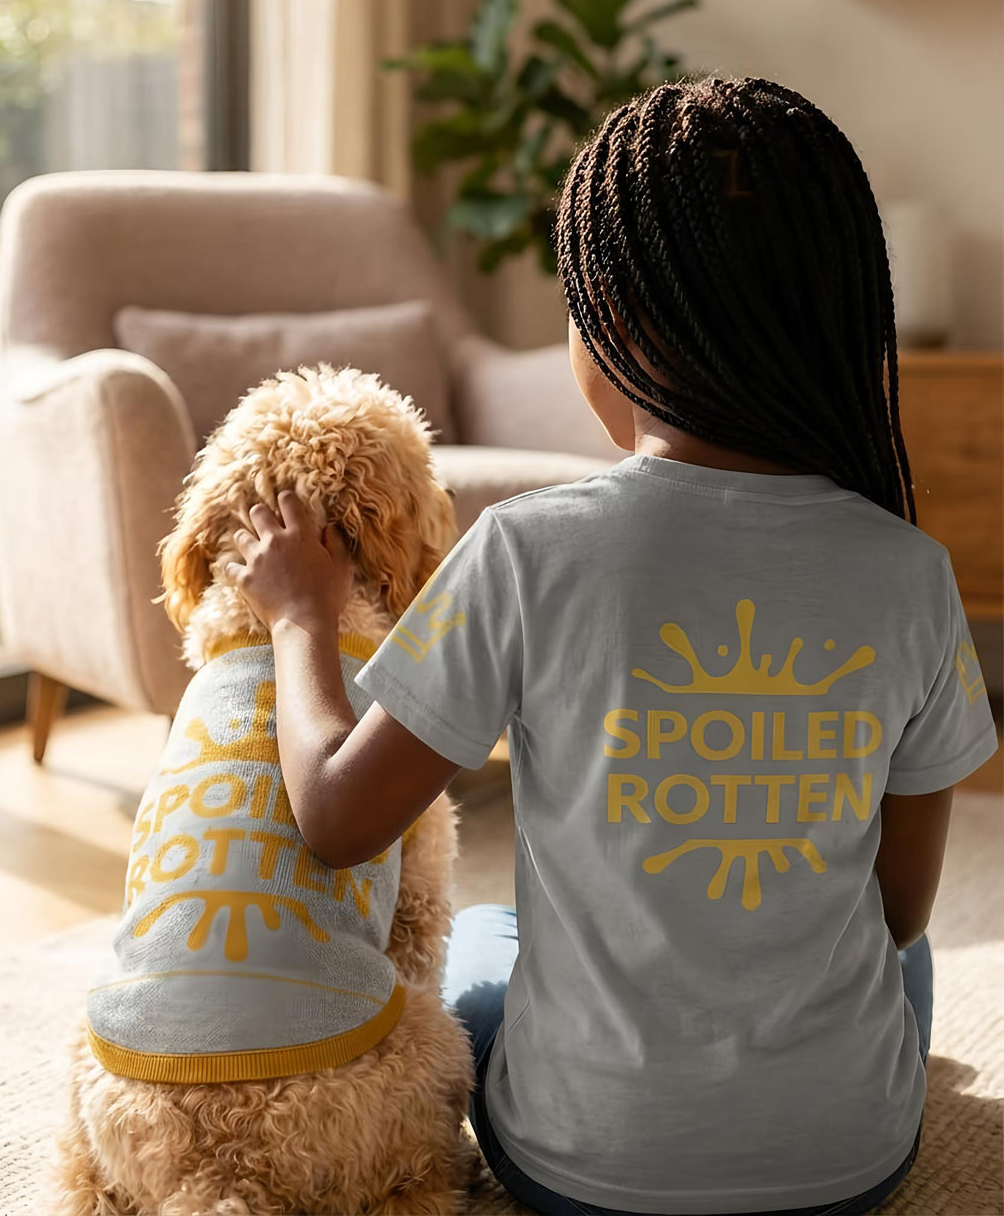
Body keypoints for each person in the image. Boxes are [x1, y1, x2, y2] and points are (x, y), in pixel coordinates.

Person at [230, 77, 998, 1216]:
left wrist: (302, 616)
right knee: (905, 961)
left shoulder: (527, 550)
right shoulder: (911, 571)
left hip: (582, 1172)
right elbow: (896, 912)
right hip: (851, 1169)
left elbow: (336, 816)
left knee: (484, 941)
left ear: (617, 326)